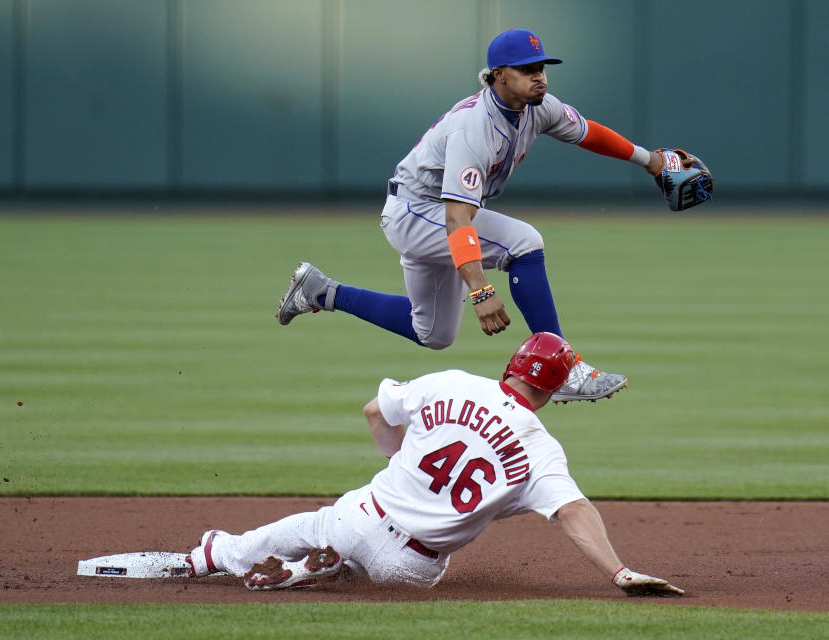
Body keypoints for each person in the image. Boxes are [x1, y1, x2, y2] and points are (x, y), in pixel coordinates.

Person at [276, 27, 674, 405]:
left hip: (428, 213)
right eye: (528, 69)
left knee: (432, 333)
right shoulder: (474, 128)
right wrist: (480, 290)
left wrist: (651, 161)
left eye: (542, 68)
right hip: (417, 212)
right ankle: (564, 367)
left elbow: (589, 133)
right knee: (524, 243)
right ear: (499, 75)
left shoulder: (539, 107)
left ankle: (322, 291)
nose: (541, 78)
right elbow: (457, 219)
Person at [186, 332, 683, 596]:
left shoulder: (452, 381)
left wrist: (397, 456)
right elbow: (573, 512)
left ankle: (215, 555)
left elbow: (374, 411)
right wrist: (619, 572)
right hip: (410, 564)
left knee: (309, 525)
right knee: (367, 584)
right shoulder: (540, 447)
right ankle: (317, 575)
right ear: (554, 389)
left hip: (361, 513)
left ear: (511, 366)